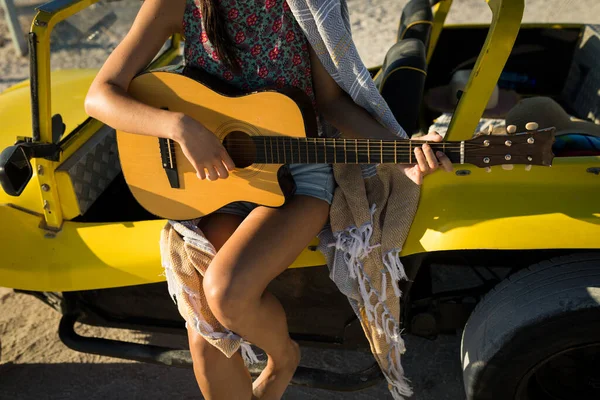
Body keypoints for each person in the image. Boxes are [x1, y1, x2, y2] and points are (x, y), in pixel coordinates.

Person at [84, 0, 453, 399]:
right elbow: (100, 96)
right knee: (206, 338)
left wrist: (401, 150)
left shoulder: (307, 5)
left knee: (225, 291)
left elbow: (329, 103)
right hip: (212, 182)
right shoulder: (177, 4)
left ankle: (283, 358)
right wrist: (178, 126)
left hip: (298, 178)